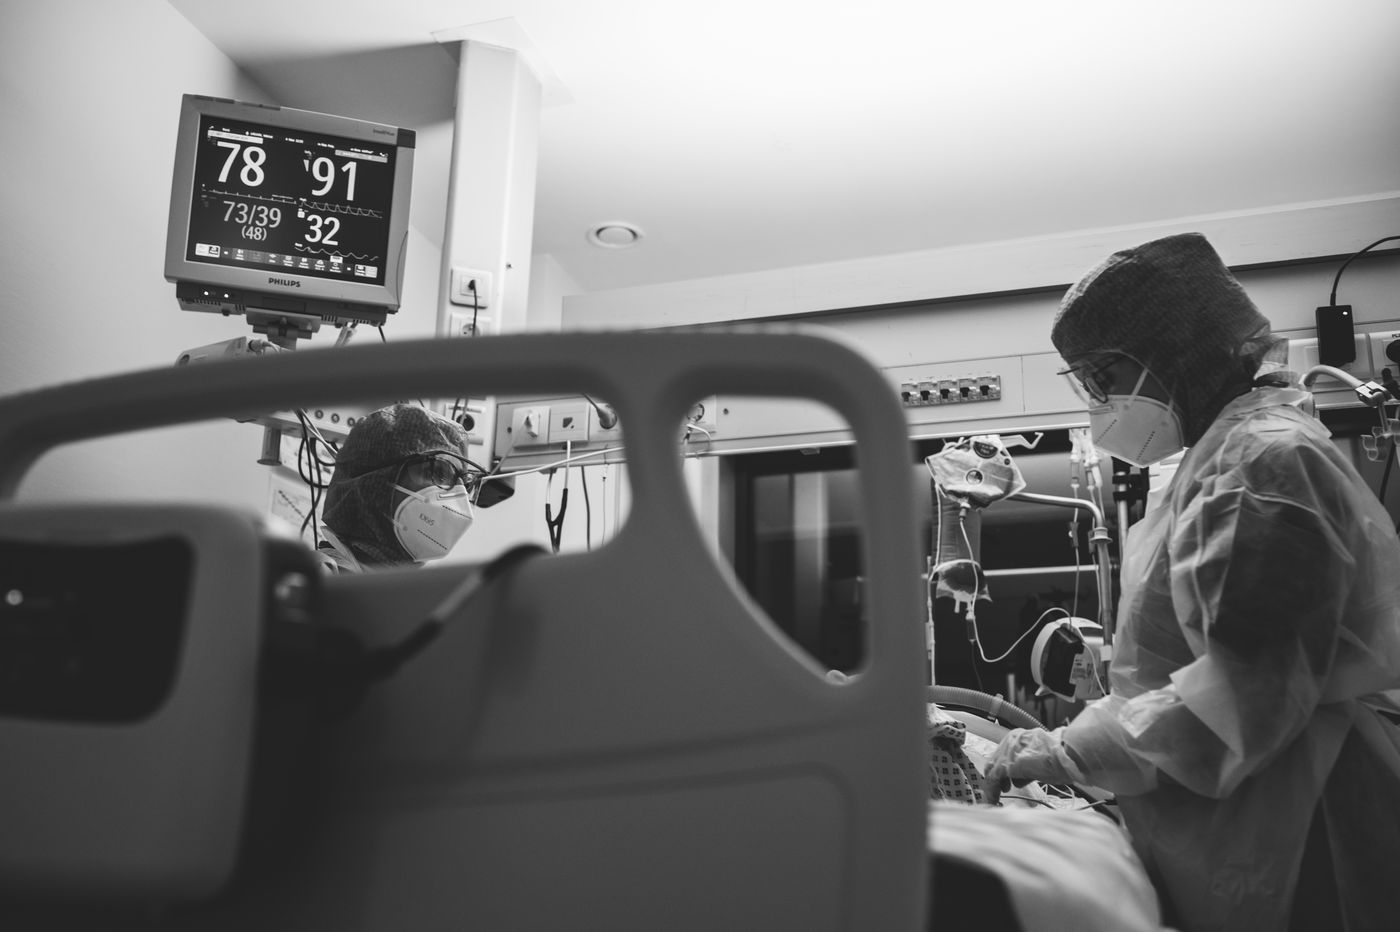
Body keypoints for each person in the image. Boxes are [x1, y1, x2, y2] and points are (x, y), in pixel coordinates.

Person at [981, 232, 1400, 931]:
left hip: (1302, 826)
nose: (1100, 400)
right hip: (1258, 812)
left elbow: (1250, 691)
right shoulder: (1222, 463)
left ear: (1173, 354)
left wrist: (1072, 751)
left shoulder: (1262, 470)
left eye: (1101, 376)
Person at [317, 403, 478, 573]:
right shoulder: (319, 578)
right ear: (375, 480)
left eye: (466, 484)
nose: (460, 497)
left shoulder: (420, 587)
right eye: (439, 473)